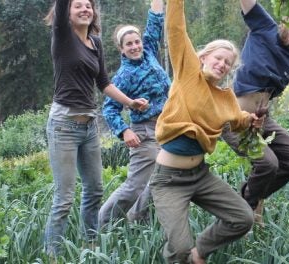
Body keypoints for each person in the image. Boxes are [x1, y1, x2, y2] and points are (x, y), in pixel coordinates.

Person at [149, 0, 264, 263]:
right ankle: (184, 255)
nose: (222, 64)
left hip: (200, 176)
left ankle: (199, 253)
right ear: (203, 57)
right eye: (218, 58)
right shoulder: (188, 73)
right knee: (177, 249)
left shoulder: (226, 98)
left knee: (242, 218)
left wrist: (251, 120)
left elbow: (237, 119)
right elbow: (176, 29)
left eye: (228, 62)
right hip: (169, 180)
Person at [42, 0, 149, 256]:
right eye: (77, 5)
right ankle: (52, 256)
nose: (84, 9)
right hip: (63, 125)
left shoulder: (95, 43)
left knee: (94, 190)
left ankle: (89, 249)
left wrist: (130, 102)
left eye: (88, 5)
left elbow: (103, 83)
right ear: (66, 12)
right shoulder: (63, 36)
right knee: (64, 199)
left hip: (89, 126)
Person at [220, 0, 289, 227]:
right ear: (285, 17)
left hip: (263, 118)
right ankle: (247, 206)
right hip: (234, 116)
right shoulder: (265, 26)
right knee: (268, 164)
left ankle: (248, 199)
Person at [99, 0, 170, 228]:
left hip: (165, 128)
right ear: (121, 49)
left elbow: (155, 23)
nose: (135, 46)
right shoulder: (123, 75)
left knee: (162, 178)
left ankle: (138, 218)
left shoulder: (149, 52)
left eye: (136, 41)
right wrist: (125, 130)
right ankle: (101, 226)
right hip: (144, 133)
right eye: (128, 44)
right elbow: (109, 108)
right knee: (136, 185)